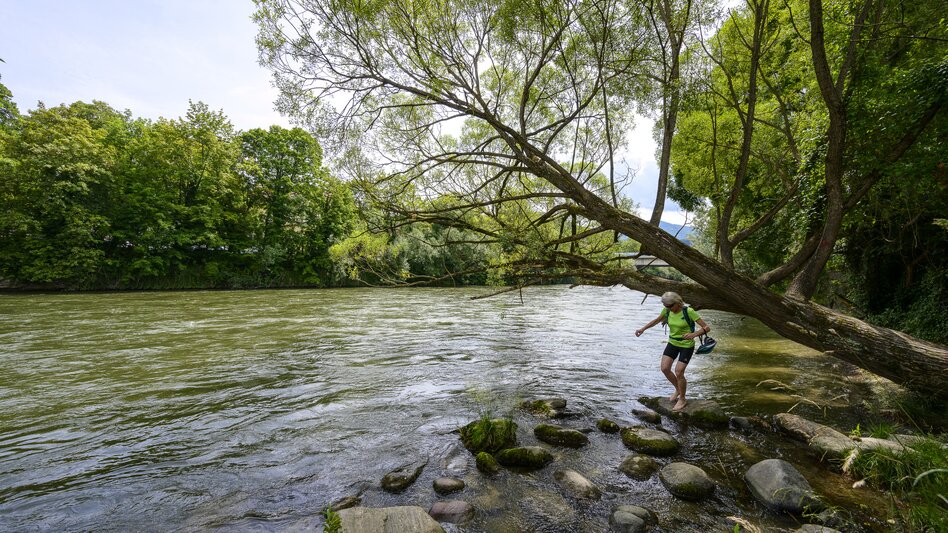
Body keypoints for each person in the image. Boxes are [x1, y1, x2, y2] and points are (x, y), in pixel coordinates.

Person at [635, 291, 711, 411]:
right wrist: (643, 329)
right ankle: (678, 389)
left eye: (669, 306)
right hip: (672, 343)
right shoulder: (667, 310)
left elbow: (706, 328)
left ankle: (682, 399)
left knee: (679, 372)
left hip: (686, 345)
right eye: (665, 306)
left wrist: (694, 334)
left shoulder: (689, 311)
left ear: (677, 303)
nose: (667, 308)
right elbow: (656, 320)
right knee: (665, 368)